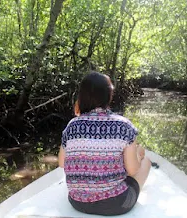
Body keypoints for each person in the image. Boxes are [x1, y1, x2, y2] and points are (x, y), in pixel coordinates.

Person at [58, 71, 151, 216]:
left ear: (81, 96)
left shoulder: (71, 126)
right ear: (109, 96)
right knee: (146, 162)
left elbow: (62, 163)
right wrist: (138, 157)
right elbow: (132, 170)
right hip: (117, 205)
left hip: (77, 202)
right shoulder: (123, 125)